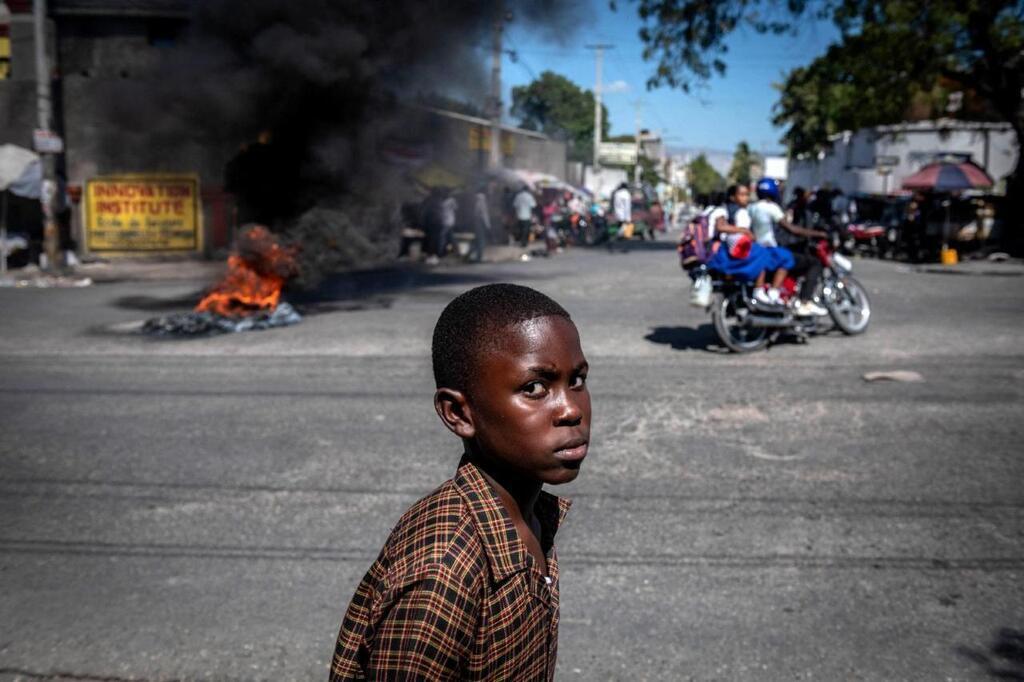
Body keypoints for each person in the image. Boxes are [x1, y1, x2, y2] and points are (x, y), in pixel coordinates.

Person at [329, 284, 591, 681]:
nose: (571, 409)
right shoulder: (442, 573)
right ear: (458, 413)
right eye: (534, 388)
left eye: (577, 380)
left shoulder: (529, 516)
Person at [749, 178, 829, 316]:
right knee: (812, 263)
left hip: (756, 249)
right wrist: (818, 234)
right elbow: (791, 228)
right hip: (770, 250)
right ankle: (804, 302)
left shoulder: (752, 207)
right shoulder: (772, 207)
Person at [467, 183, 492, 263]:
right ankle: (479, 257)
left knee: (476, 239)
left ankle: (468, 255)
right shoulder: (482, 199)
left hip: (474, 220)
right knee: (481, 240)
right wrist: (488, 225)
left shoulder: (475, 198)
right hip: (480, 221)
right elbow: (484, 213)